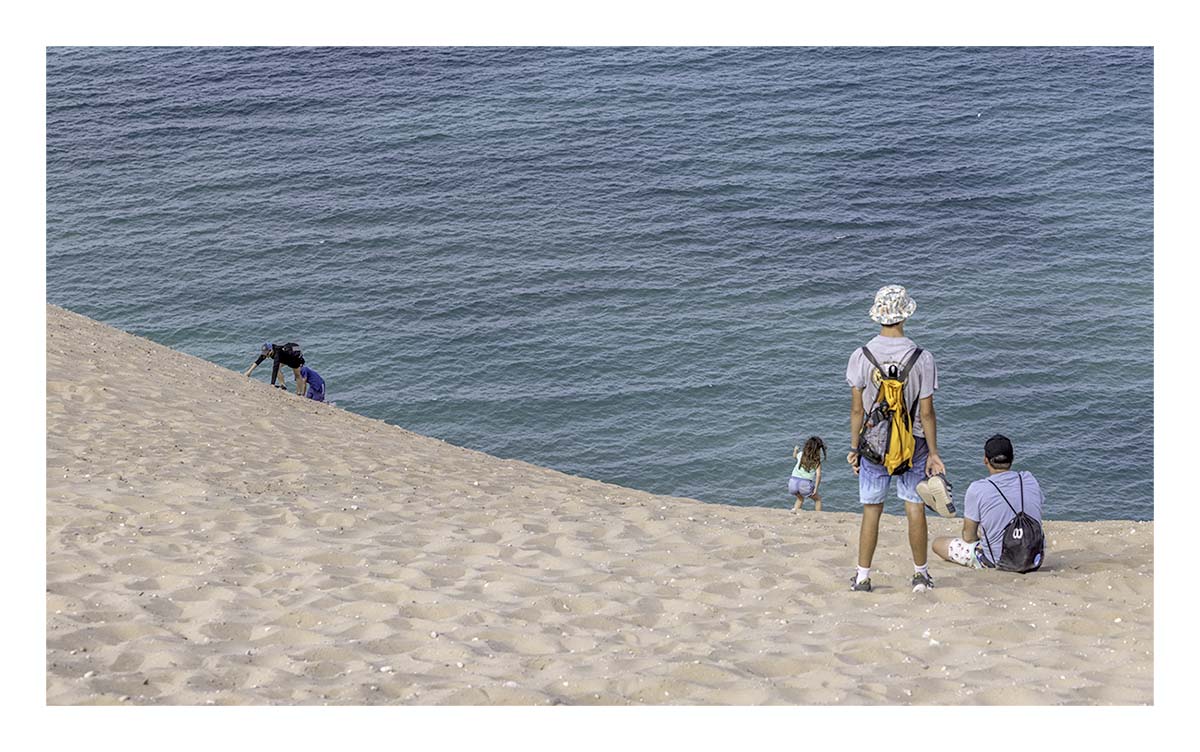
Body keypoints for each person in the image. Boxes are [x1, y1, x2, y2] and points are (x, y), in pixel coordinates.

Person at [845, 284, 946, 593]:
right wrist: (933, 452)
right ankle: (920, 575)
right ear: (905, 315)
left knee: (872, 509)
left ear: (879, 316)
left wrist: (854, 448)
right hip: (913, 443)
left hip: (874, 445)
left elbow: (857, 410)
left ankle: (863, 577)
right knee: (914, 506)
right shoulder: (922, 357)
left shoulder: (861, 356)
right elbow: (927, 412)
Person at [932, 434, 1045, 570]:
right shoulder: (1029, 479)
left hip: (999, 561)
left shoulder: (977, 489)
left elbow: (968, 537)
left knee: (937, 544)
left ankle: (985, 560)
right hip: (1034, 558)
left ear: (985, 460)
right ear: (1012, 458)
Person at [789, 436, 826, 511]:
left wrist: (795, 450)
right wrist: (815, 488)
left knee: (800, 499)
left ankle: (794, 512)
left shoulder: (801, 454)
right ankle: (818, 515)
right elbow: (818, 475)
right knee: (817, 500)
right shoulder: (816, 460)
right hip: (804, 484)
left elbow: (794, 456)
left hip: (792, 482)